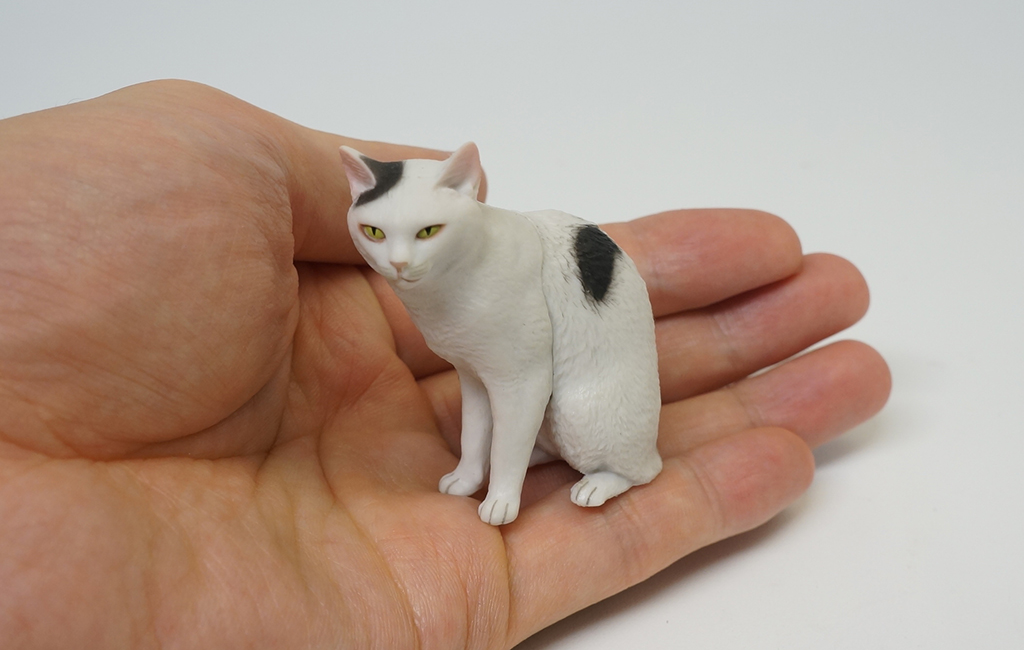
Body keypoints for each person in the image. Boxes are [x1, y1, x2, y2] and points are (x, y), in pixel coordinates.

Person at [0, 80, 890, 649]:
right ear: (358, 205)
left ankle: (623, 464)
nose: (399, 259)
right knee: (485, 372)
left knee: (563, 408)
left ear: (468, 191)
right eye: (374, 233)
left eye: (425, 232)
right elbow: (473, 366)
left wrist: (505, 487)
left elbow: (522, 375)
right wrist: (470, 466)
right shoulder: (421, 250)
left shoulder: (501, 256)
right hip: (529, 373)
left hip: (593, 389)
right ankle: (485, 464)